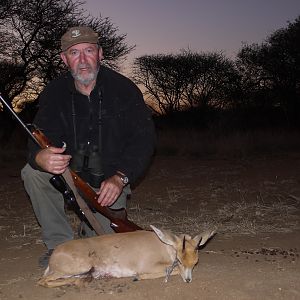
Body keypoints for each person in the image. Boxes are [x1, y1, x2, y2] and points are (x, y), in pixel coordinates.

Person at [21, 26, 156, 268]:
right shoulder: (53, 92)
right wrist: (41, 157)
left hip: (109, 184)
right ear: (64, 59)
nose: (83, 60)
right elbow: (38, 139)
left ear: (100, 54)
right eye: (74, 53)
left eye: (89, 51)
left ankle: (89, 228)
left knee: (102, 252)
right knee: (32, 173)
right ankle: (58, 246)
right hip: (70, 176)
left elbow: (143, 141)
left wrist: (121, 177)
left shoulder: (124, 90)